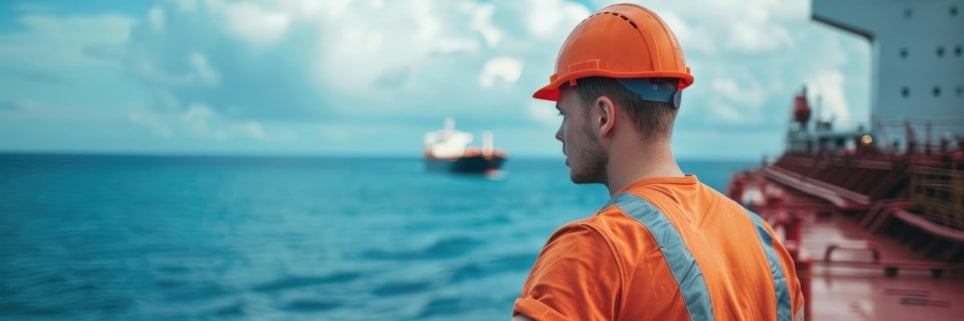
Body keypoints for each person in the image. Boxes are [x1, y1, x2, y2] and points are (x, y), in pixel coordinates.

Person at [512, 3, 805, 321]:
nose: (559, 133)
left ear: (603, 116)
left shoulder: (590, 252)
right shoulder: (763, 240)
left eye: (564, 115)